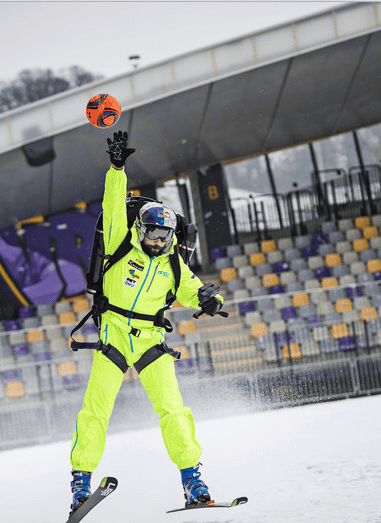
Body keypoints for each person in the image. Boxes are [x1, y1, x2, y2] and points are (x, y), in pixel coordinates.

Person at [69, 131, 225, 516]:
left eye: (165, 235)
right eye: (153, 233)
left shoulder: (173, 262)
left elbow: (194, 290)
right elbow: (112, 201)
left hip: (151, 340)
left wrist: (209, 299)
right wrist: (117, 168)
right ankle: (80, 483)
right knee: (96, 410)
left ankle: (193, 481)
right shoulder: (121, 243)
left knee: (173, 410)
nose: (158, 240)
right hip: (115, 336)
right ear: (140, 230)